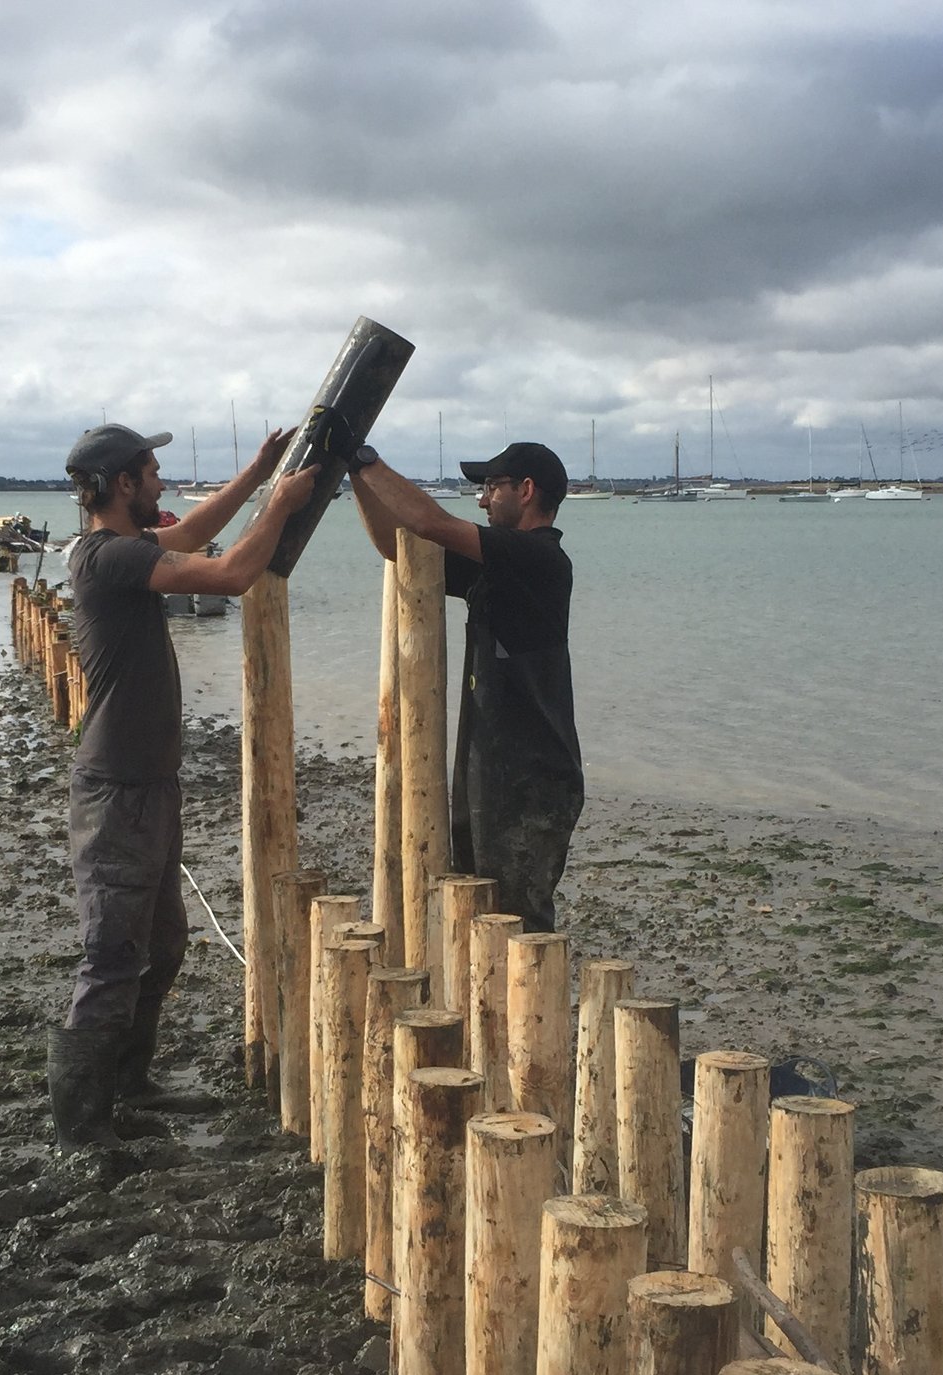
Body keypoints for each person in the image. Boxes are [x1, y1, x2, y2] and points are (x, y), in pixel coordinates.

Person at [49, 422, 318, 1158]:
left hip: (149, 784)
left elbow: (199, 529)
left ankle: (130, 1082)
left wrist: (260, 471)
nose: (163, 483)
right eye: (152, 472)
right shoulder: (106, 559)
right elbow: (230, 572)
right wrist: (282, 506)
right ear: (121, 484)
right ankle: (81, 1126)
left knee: (162, 943)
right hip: (116, 791)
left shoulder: (125, 549)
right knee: (111, 953)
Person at [344, 439, 583, 933]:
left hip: (532, 781)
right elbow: (397, 544)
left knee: (521, 927)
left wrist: (367, 460)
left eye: (491, 488)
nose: (481, 499)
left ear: (527, 490)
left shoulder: (540, 559)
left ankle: (531, 1012)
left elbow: (431, 523)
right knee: (481, 913)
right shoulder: (494, 568)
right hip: (489, 773)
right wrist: (355, 475)